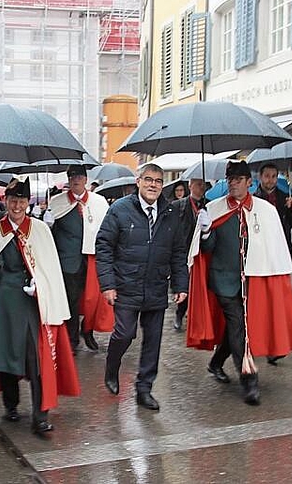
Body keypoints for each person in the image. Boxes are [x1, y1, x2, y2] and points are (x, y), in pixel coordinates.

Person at [0, 178, 80, 434]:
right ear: (5, 202)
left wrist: (39, 284)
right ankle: (11, 405)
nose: (17, 206)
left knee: (36, 359)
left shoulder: (40, 230)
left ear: (28, 202)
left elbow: (49, 269)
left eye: (21, 201)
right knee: (6, 356)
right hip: (5, 303)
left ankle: (40, 415)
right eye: (12, 201)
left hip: (33, 304)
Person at [187, 161, 292, 405]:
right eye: (230, 180)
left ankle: (216, 362)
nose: (233, 184)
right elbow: (205, 249)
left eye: (238, 179)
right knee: (239, 324)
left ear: (249, 182)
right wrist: (206, 230)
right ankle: (248, 377)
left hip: (254, 278)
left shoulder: (265, 210)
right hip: (224, 280)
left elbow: (273, 246)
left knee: (239, 326)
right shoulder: (214, 209)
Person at [95, 163, 188, 411]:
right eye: (148, 179)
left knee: (153, 340)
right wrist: (108, 284)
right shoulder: (119, 210)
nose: (153, 185)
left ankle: (144, 388)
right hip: (126, 284)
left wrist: (181, 284)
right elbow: (103, 247)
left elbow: (178, 252)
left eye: (158, 181)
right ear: (138, 181)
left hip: (156, 285)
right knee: (124, 334)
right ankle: (112, 366)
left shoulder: (170, 213)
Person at [48, 164, 112, 353]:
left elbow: (107, 229)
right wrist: (46, 223)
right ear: (68, 180)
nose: (76, 180)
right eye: (72, 177)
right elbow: (49, 235)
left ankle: (88, 331)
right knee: (72, 300)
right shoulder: (57, 202)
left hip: (93, 258)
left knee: (93, 299)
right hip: (68, 260)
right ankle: (72, 339)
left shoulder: (99, 202)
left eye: (79, 177)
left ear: (86, 180)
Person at [171, 178, 205, 331]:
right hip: (184, 251)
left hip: (202, 252)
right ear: (190, 186)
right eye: (198, 184)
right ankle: (180, 313)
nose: (201, 187)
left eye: (203, 184)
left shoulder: (208, 205)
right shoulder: (179, 206)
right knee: (185, 285)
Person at [253, 163, 292, 259]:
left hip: (282, 252)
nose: (270, 180)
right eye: (267, 176)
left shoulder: (285, 198)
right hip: (261, 253)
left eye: (274, 176)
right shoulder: (253, 200)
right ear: (260, 177)